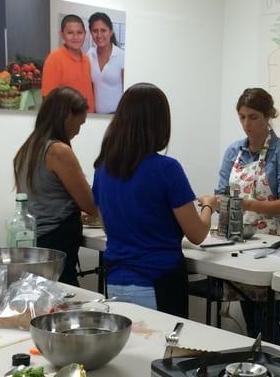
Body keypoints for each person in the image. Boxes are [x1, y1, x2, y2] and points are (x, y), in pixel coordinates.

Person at [92, 82, 218, 317]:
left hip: (115, 280)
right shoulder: (167, 169)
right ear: (160, 124)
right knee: (164, 351)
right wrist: (209, 206)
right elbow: (197, 234)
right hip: (159, 281)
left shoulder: (103, 168)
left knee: (128, 351)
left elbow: (109, 226)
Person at [218, 87, 280, 345]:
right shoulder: (234, 151)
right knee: (249, 320)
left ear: (268, 116)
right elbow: (221, 193)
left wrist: (248, 204)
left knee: (267, 325)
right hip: (237, 242)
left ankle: (272, 367)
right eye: (242, 117)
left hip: (269, 246)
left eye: (253, 117)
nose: (246, 124)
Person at [13, 86, 98, 286]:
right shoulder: (58, 151)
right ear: (67, 115)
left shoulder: (27, 149)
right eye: (80, 123)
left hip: (35, 241)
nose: (78, 130)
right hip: (56, 243)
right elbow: (90, 204)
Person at [42, 14, 95, 113]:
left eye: (79, 32)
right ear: (62, 34)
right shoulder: (54, 59)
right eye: (70, 33)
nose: (75, 37)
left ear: (85, 33)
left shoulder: (86, 59)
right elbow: (47, 99)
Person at [87, 12, 124, 114]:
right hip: (95, 114)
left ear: (111, 32)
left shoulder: (122, 56)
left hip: (118, 115)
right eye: (95, 31)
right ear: (90, 33)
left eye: (103, 30)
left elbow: (128, 90)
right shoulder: (89, 55)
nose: (99, 35)